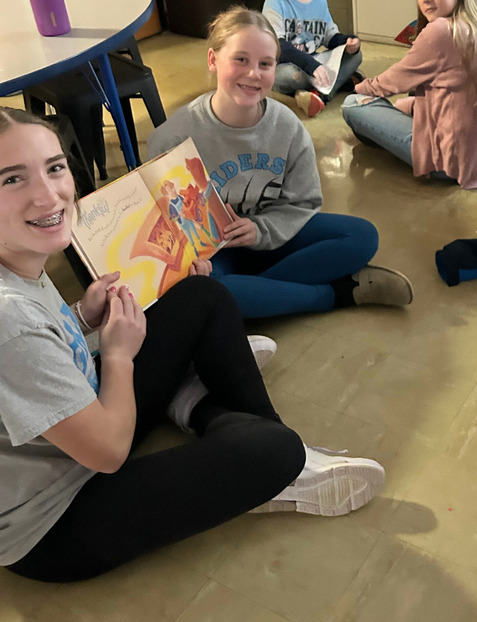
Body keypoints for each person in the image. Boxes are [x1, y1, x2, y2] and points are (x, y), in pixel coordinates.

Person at [0, 108, 386, 583]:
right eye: (11, 179)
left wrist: (83, 318)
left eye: (54, 167)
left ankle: (201, 410)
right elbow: (106, 453)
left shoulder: (18, 260)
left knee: (199, 293)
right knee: (278, 451)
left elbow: (44, 349)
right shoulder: (8, 317)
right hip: (52, 521)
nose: (48, 193)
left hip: (78, 422)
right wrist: (118, 354)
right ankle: (246, 442)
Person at [147, 6, 412, 319]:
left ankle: (254, 294)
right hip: (216, 255)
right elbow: (165, 230)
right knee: (204, 290)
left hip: (274, 237)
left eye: (266, 63)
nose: (253, 73)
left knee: (363, 236)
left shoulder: (287, 126)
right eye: (240, 59)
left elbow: (303, 203)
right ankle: (333, 294)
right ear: (213, 60)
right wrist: (196, 260)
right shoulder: (172, 138)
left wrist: (260, 230)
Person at [341, 0, 477, 189]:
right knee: (403, 105)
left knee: (353, 105)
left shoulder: (441, 31)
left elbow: (390, 82)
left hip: (449, 163)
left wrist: (356, 87)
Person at [263, 0, 363, 116]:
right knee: (294, 76)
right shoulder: (274, 1)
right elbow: (278, 47)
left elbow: (329, 37)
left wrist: (347, 42)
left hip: (313, 62)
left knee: (356, 56)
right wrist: (313, 66)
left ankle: (318, 95)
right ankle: (338, 83)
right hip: (284, 66)